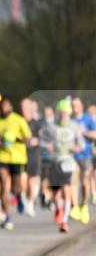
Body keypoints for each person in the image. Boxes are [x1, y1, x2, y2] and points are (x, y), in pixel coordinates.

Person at [0, 94, 31, 230]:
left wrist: (16, 138)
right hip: (1, 157)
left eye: (5, 105)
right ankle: (7, 216)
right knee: (4, 184)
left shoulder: (19, 120)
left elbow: (28, 137)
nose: (2, 108)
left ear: (10, 106)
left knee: (16, 187)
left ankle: (19, 195)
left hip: (17, 158)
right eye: (1, 106)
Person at [44, 99, 84, 233]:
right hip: (54, 161)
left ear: (69, 113)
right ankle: (59, 206)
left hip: (67, 162)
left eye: (66, 113)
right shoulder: (52, 126)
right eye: (61, 113)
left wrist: (78, 147)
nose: (63, 115)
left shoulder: (74, 126)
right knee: (55, 195)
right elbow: (43, 140)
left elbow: (81, 143)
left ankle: (64, 221)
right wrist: (47, 145)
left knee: (67, 190)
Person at [69, 97, 96, 225]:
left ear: (81, 106)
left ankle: (84, 205)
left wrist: (84, 132)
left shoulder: (88, 119)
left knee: (85, 180)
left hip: (86, 155)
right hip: (73, 155)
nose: (75, 107)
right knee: (74, 179)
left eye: (77, 105)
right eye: (73, 105)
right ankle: (75, 207)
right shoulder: (69, 120)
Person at [22, 97, 43, 217]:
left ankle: (30, 202)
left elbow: (43, 138)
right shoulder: (19, 121)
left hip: (34, 154)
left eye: (25, 107)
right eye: (22, 108)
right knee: (24, 180)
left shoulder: (37, 123)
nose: (24, 110)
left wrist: (37, 140)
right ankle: (25, 199)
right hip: (21, 155)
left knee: (33, 180)